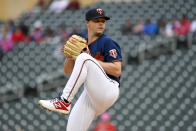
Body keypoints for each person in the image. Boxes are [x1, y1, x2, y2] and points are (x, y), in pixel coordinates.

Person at [39, 8, 122, 131]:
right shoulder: (82, 42)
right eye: (96, 20)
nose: (100, 23)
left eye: (103, 21)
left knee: (84, 57)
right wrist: (69, 57)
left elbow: (117, 70)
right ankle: (65, 101)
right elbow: (68, 71)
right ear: (87, 23)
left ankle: (64, 101)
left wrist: (89, 60)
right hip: (90, 95)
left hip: (108, 88)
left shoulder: (107, 42)